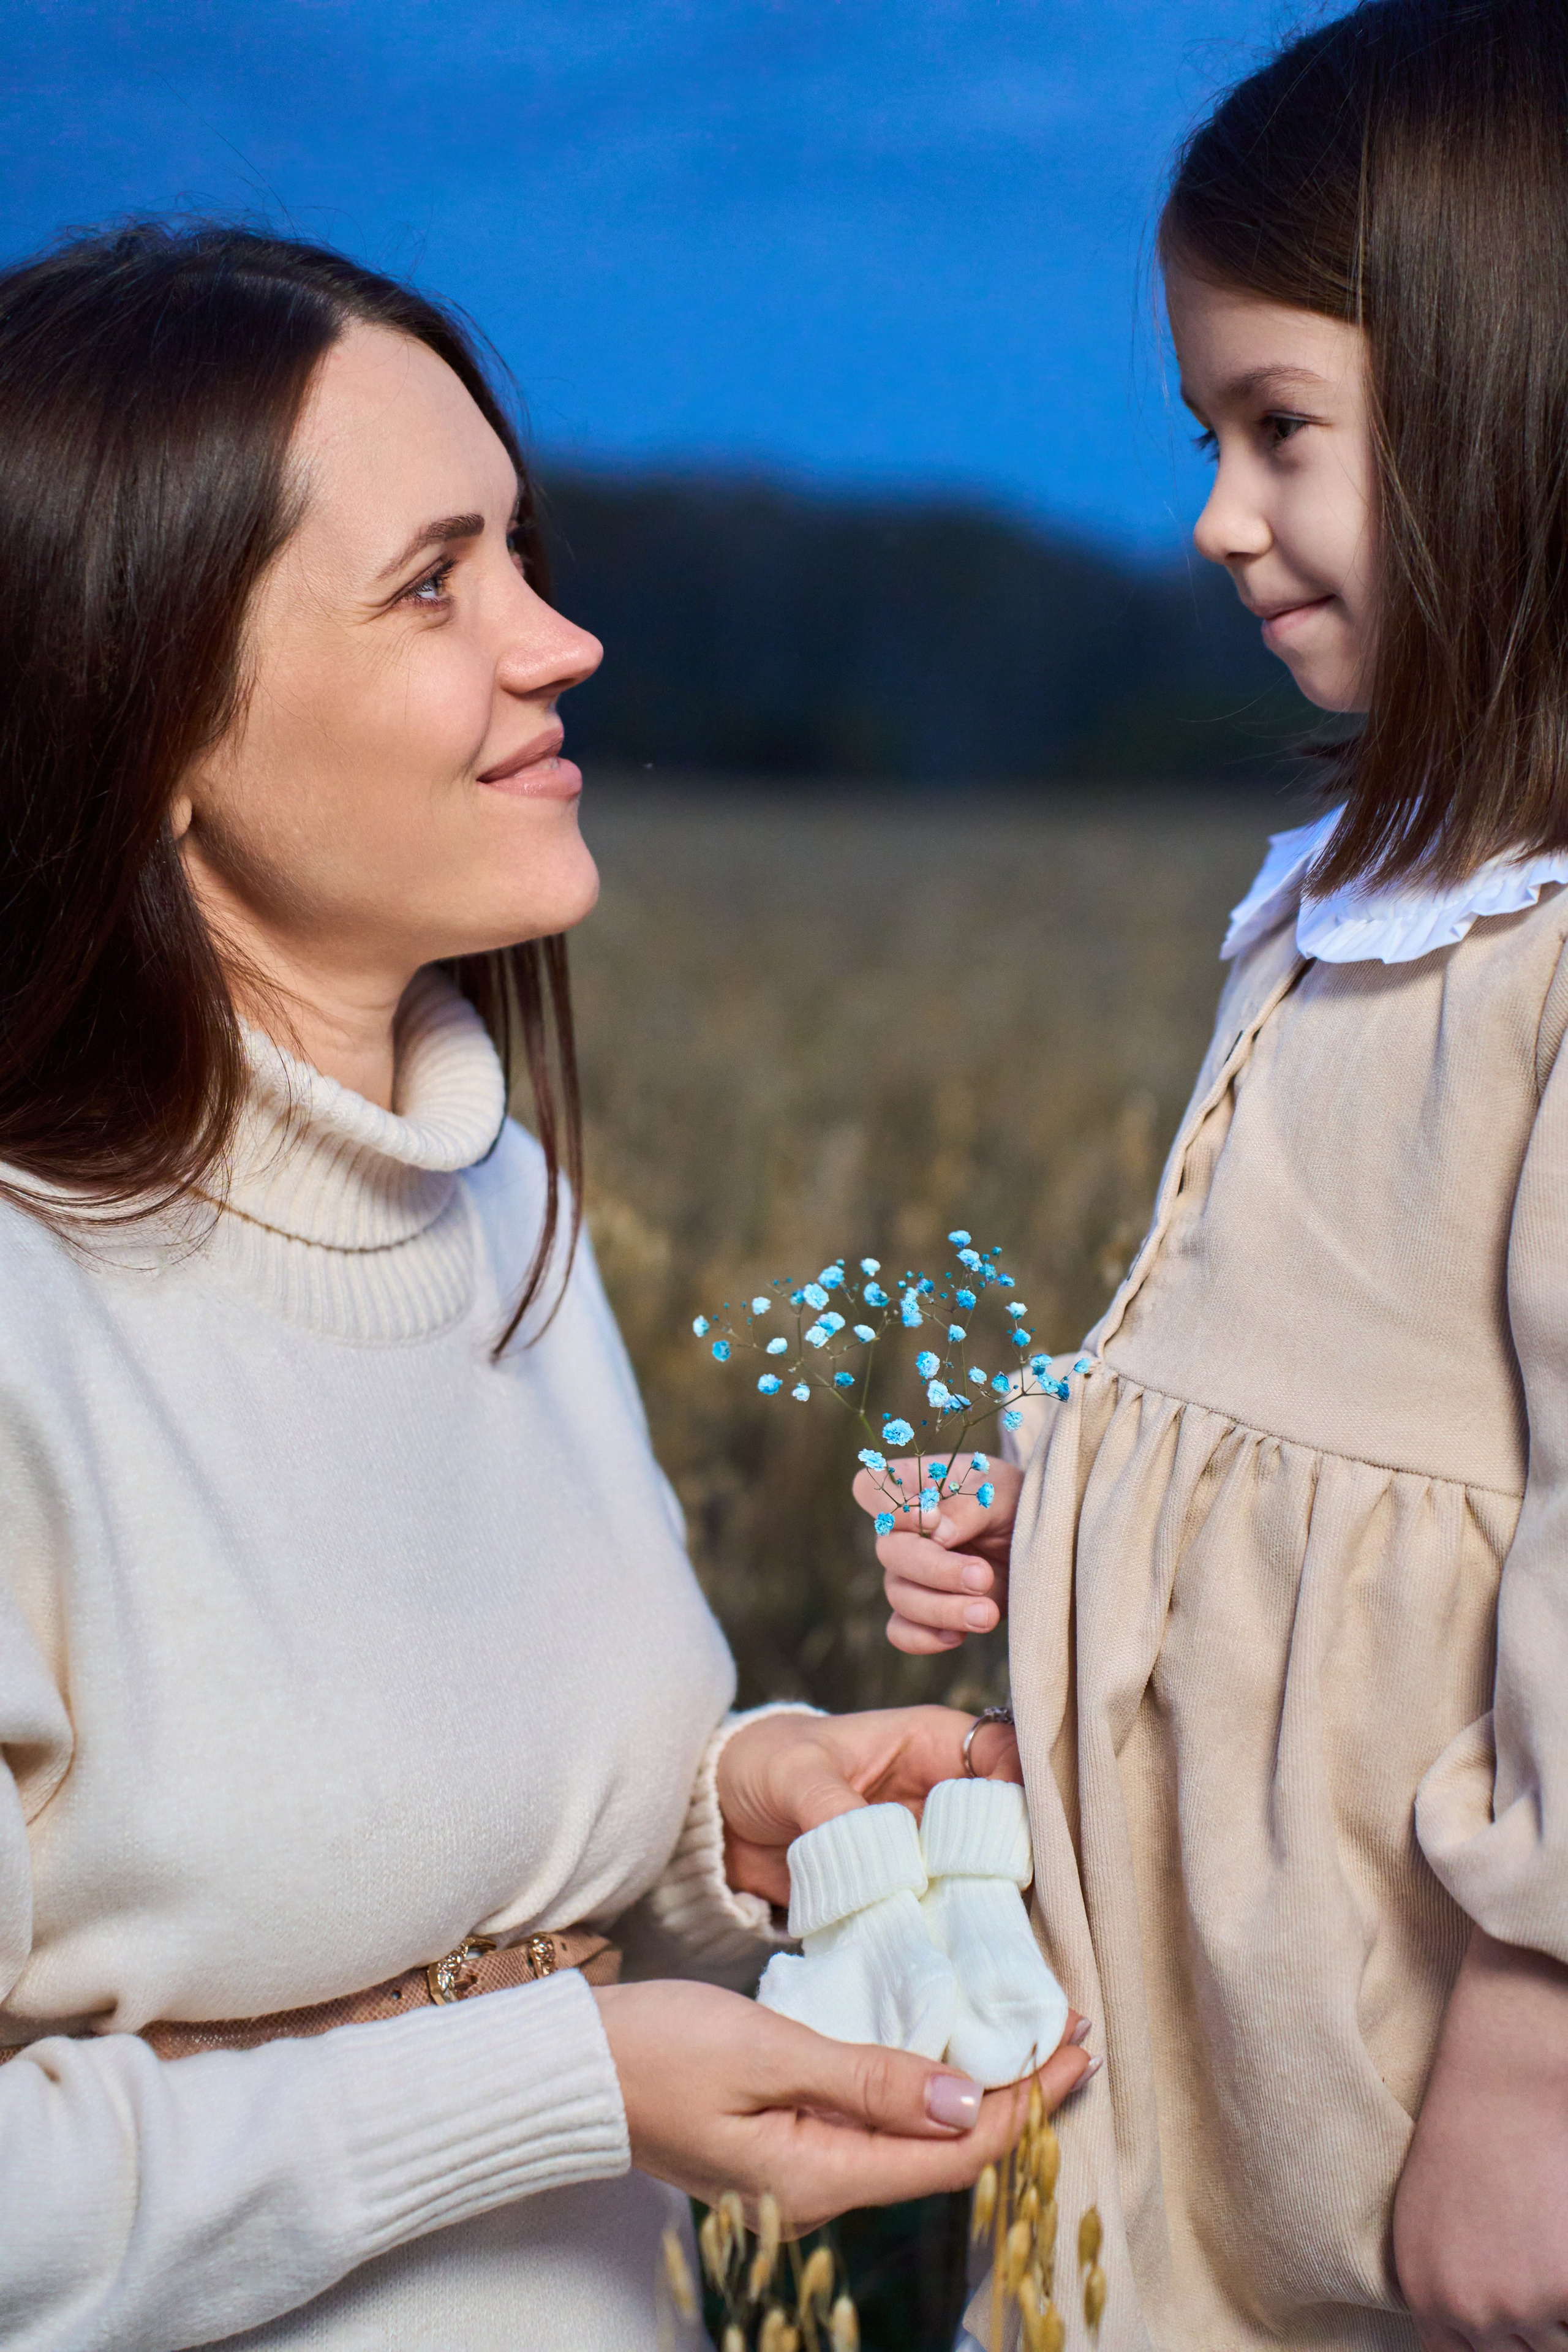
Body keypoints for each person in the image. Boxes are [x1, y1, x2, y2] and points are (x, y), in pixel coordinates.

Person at [0, 223, 1093, 2352]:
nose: (564, 640)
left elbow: (491, 1848)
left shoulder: (499, 1208)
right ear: (142, 717)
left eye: (527, 551)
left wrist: (748, 1823)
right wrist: (568, 2084)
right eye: (436, 584)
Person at [858, 4, 1568, 2346]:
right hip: (1193, 2001)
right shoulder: (1348, 886)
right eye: (1205, 434)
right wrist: (1057, 1487)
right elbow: (1288, 1405)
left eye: (1284, 431)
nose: (1213, 516)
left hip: (1402, 2017)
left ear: (1511, 414)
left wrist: (1538, 2039)